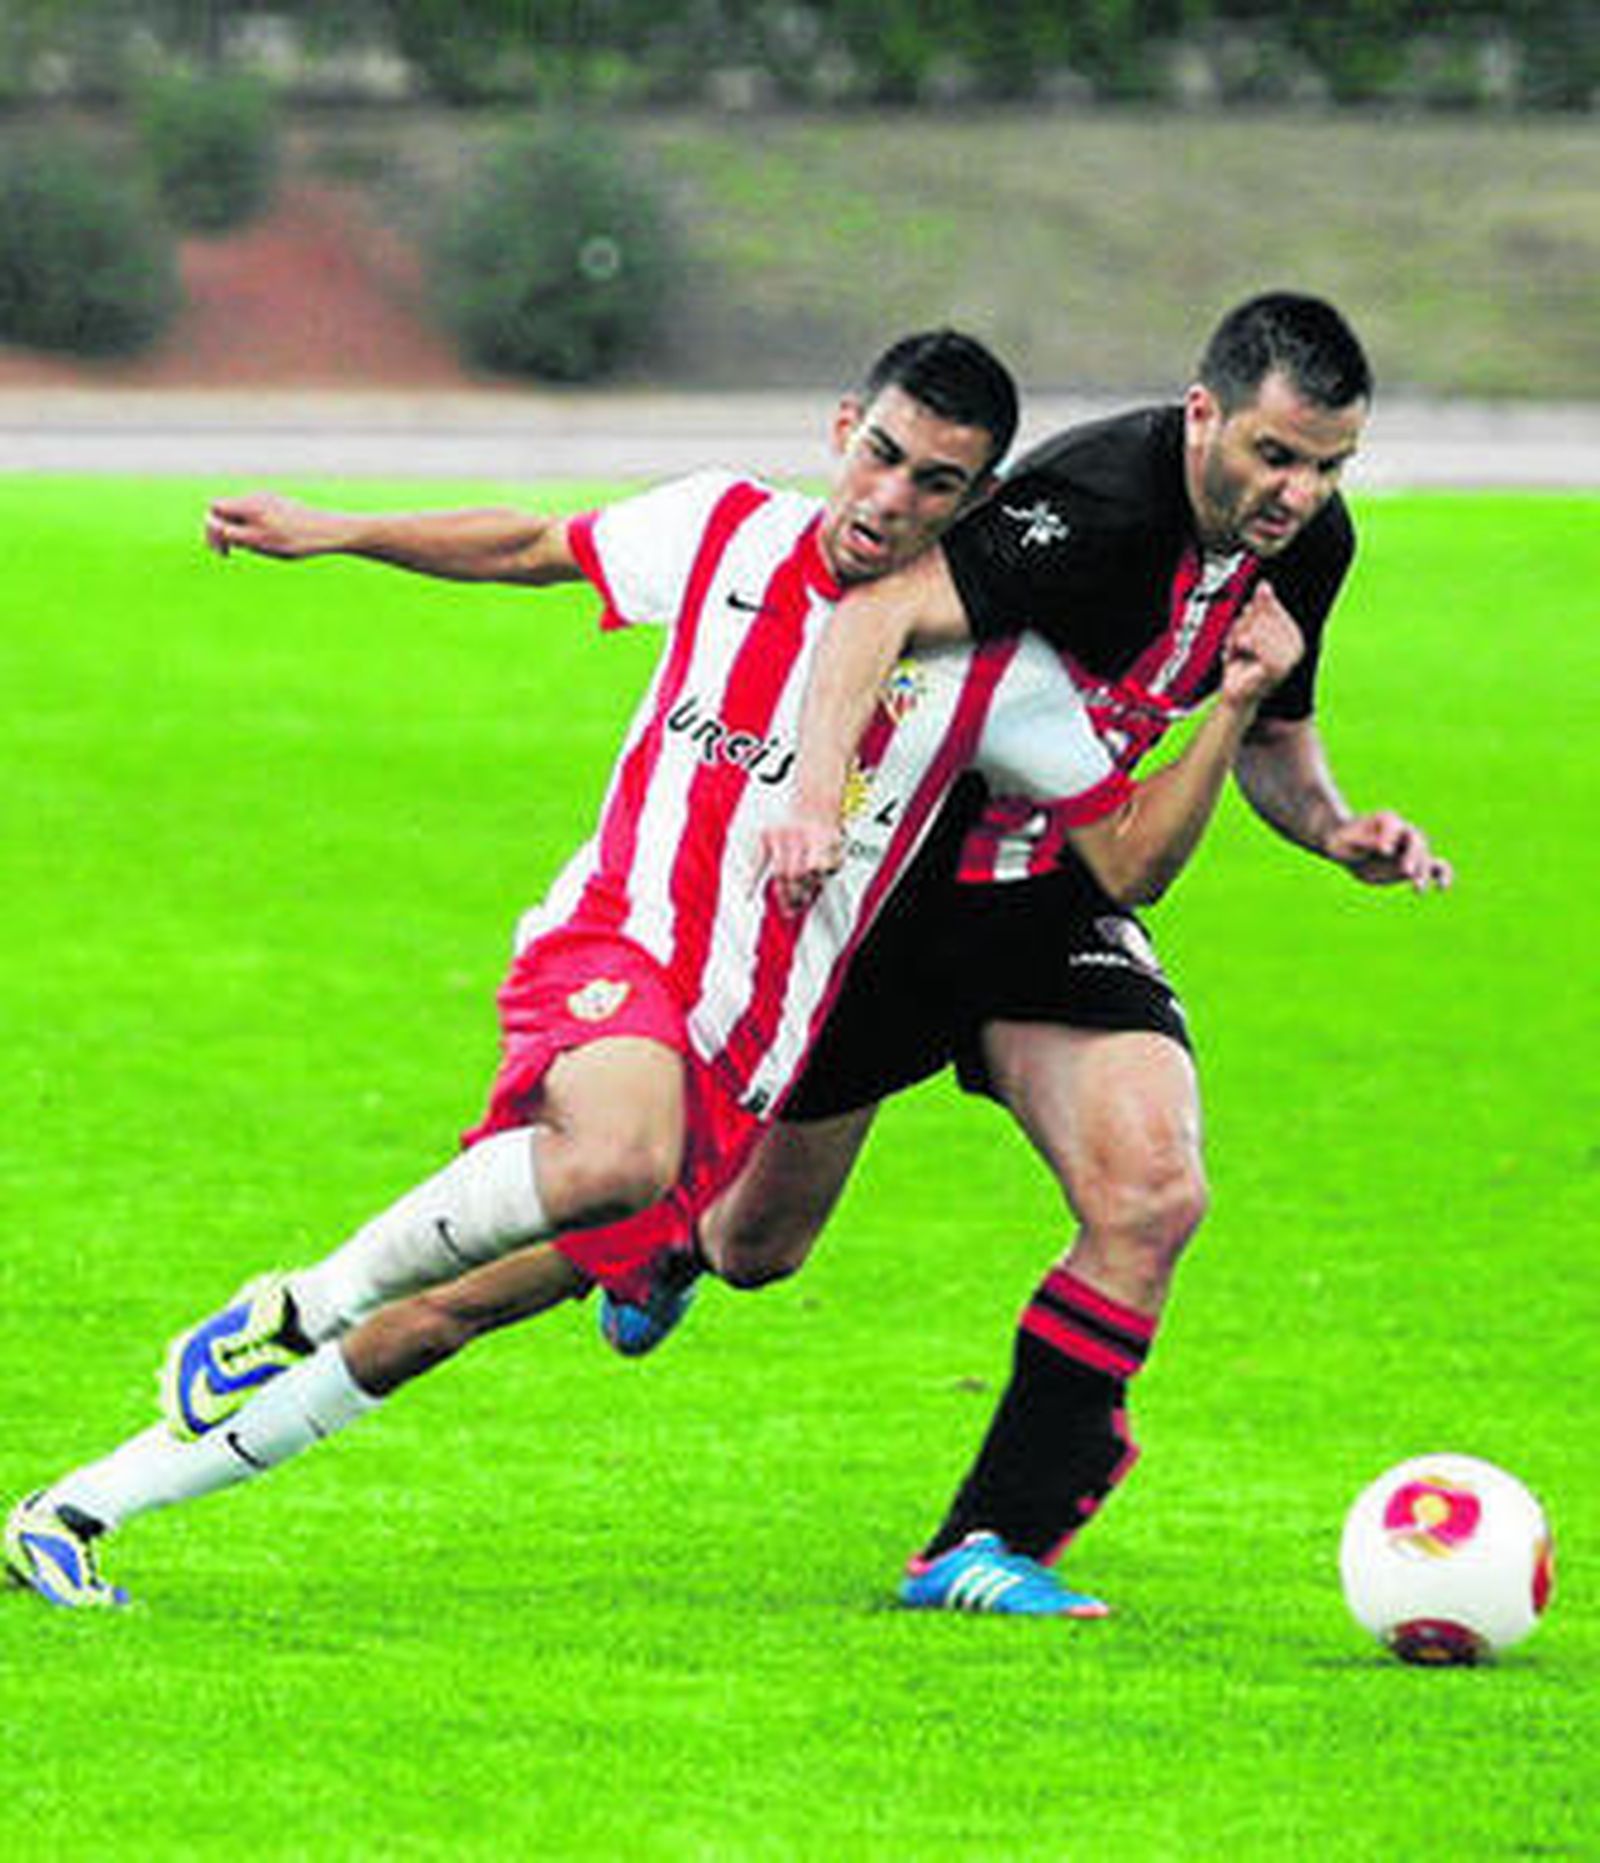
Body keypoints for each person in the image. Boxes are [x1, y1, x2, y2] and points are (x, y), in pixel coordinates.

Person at [4, 330, 1304, 1613]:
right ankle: (293, 1303)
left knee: (439, 1322)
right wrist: (339, 527)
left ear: (978, 504)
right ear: (843, 430)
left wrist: (1237, 704)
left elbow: (1127, 858)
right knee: (615, 1155)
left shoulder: (1000, 680)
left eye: (934, 486)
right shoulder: (724, 528)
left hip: (743, 1066)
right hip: (617, 951)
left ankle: (73, 1512)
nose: (889, 499)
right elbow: (531, 546)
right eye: (884, 458)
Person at [607, 292, 1454, 1613]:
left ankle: (983, 1543)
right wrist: (815, 799)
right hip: (899, 900)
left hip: (1056, 897)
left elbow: (1278, 741)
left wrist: (1340, 829)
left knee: (1154, 1194)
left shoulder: (1309, 547)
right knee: (762, 1246)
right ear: (1202, 417)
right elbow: (872, 613)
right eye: (1275, 456)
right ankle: (679, 1247)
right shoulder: (1095, 501)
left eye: (1328, 465)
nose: (1298, 492)